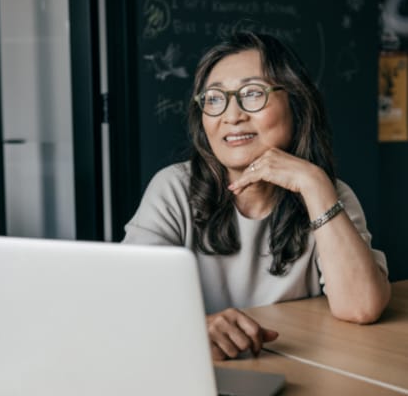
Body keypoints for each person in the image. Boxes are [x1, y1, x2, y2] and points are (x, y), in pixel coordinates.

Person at [122, 31, 391, 361]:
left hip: (299, 367)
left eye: (252, 94)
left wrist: (315, 184)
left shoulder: (328, 194)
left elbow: (361, 306)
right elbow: (128, 301)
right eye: (215, 99)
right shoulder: (174, 189)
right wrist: (193, 328)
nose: (232, 116)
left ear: (296, 103)